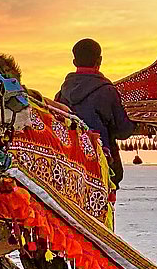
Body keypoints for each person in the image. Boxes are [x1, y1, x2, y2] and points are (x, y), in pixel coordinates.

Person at [55, 38, 135, 187]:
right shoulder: (107, 91)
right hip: (100, 168)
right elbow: (123, 130)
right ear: (100, 60)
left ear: (74, 62)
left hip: (69, 168)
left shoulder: (61, 94)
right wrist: (135, 122)